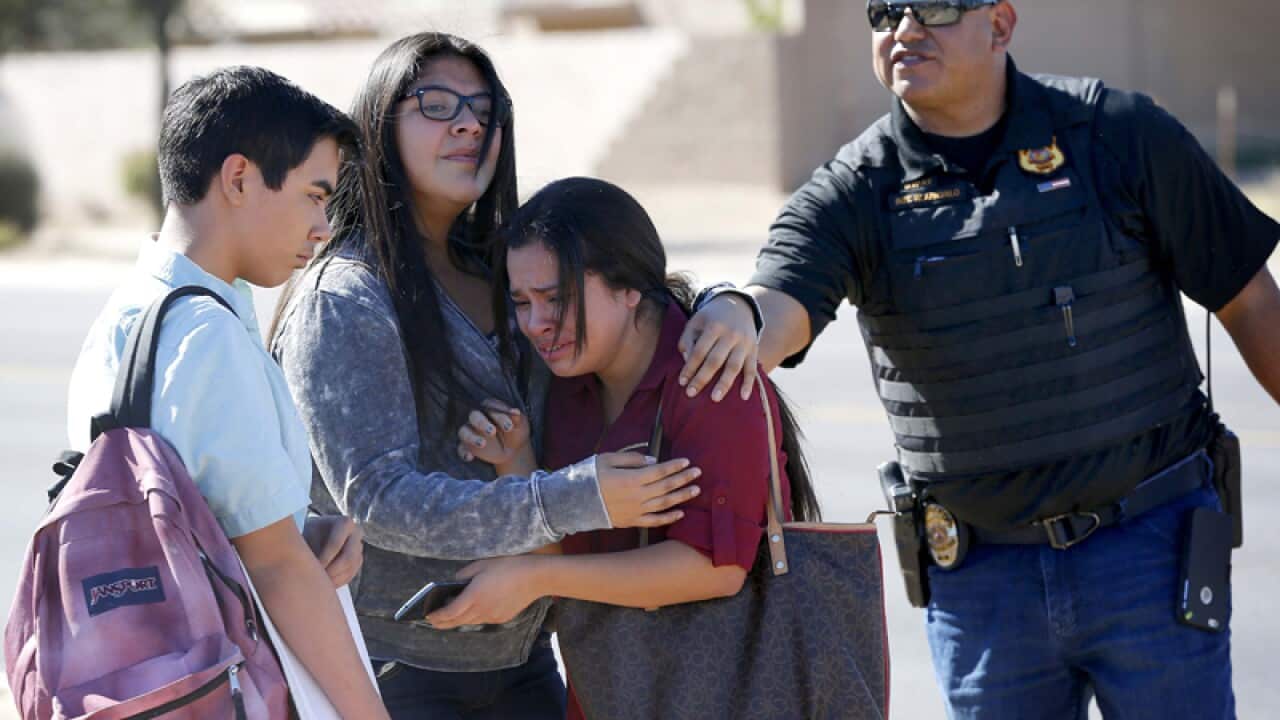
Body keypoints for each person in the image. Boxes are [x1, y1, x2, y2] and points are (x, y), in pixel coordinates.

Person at [680, 1, 1280, 718]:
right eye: (885, 12)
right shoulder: (856, 189)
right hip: (983, 582)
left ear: (999, 24)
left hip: (1148, 552)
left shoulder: (1116, 136)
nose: (904, 29)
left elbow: (1250, 302)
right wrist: (740, 314)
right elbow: (781, 298)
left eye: (931, 7)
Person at [268, 34, 702, 719]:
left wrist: (725, 306)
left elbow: (636, 295)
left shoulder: (508, 266)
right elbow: (379, 501)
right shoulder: (348, 297)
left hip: (527, 659)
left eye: (484, 107)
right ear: (381, 125)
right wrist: (574, 498)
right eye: (436, 105)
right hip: (398, 669)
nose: (469, 124)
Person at [427, 176, 821, 720]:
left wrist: (536, 578)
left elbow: (714, 568)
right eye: (521, 302)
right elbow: (568, 553)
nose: (536, 324)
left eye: (556, 298)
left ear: (630, 286)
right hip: (608, 694)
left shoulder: (710, 378)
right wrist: (515, 462)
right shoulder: (564, 383)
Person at [65, 66, 390, 718]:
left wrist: (299, 527)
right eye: (313, 196)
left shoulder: (128, 312)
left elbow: (201, 521)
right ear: (239, 178)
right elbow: (275, 568)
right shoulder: (205, 334)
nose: (323, 227)